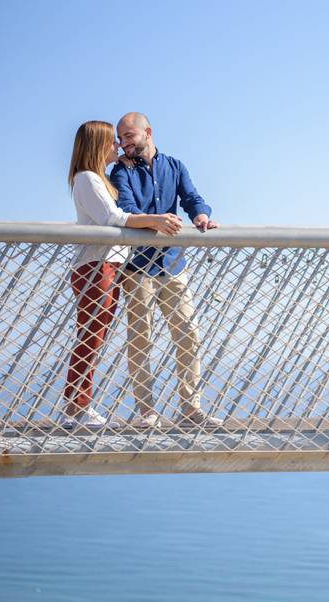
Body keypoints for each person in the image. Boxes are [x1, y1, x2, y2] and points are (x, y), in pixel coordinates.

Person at [64, 120, 182, 429]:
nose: (118, 146)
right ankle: (77, 408)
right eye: (111, 142)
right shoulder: (87, 178)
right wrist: (154, 219)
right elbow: (111, 217)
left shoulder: (95, 178)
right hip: (96, 268)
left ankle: (79, 405)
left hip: (106, 267)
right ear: (98, 146)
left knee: (94, 336)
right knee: (91, 337)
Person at [110, 112, 221, 428]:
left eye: (129, 136)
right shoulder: (120, 172)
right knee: (140, 339)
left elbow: (192, 198)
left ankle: (191, 409)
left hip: (173, 263)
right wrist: (157, 219)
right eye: (120, 138)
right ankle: (147, 413)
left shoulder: (175, 166)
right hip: (137, 267)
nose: (124, 143)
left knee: (188, 333)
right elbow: (128, 210)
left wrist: (200, 216)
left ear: (147, 132)